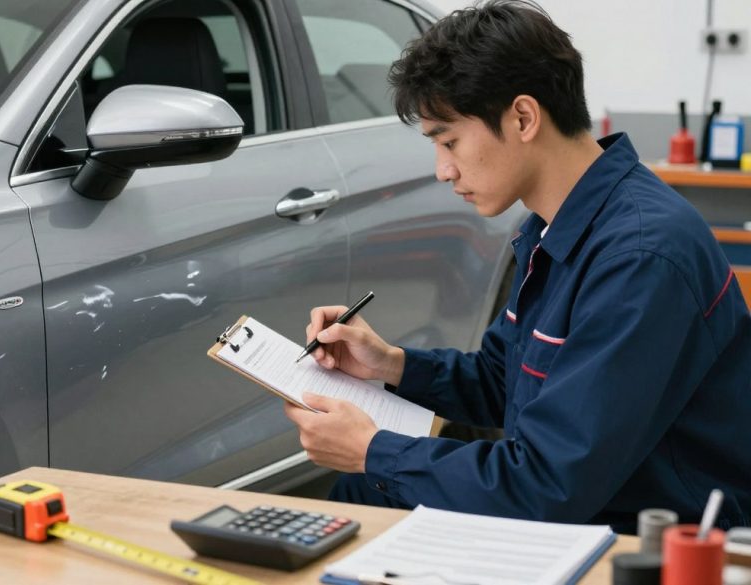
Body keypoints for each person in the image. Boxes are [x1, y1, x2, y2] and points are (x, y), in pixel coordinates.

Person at [284, 0, 751, 533]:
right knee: (357, 493)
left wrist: (374, 449)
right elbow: (501, 379)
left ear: (524, 117)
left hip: (647, 535)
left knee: (366, 489)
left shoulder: (639, 258)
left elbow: (549, 485)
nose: (443, 170)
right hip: (578, 500)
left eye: (449, 140)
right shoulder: (555, 227)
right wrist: (389, 364)